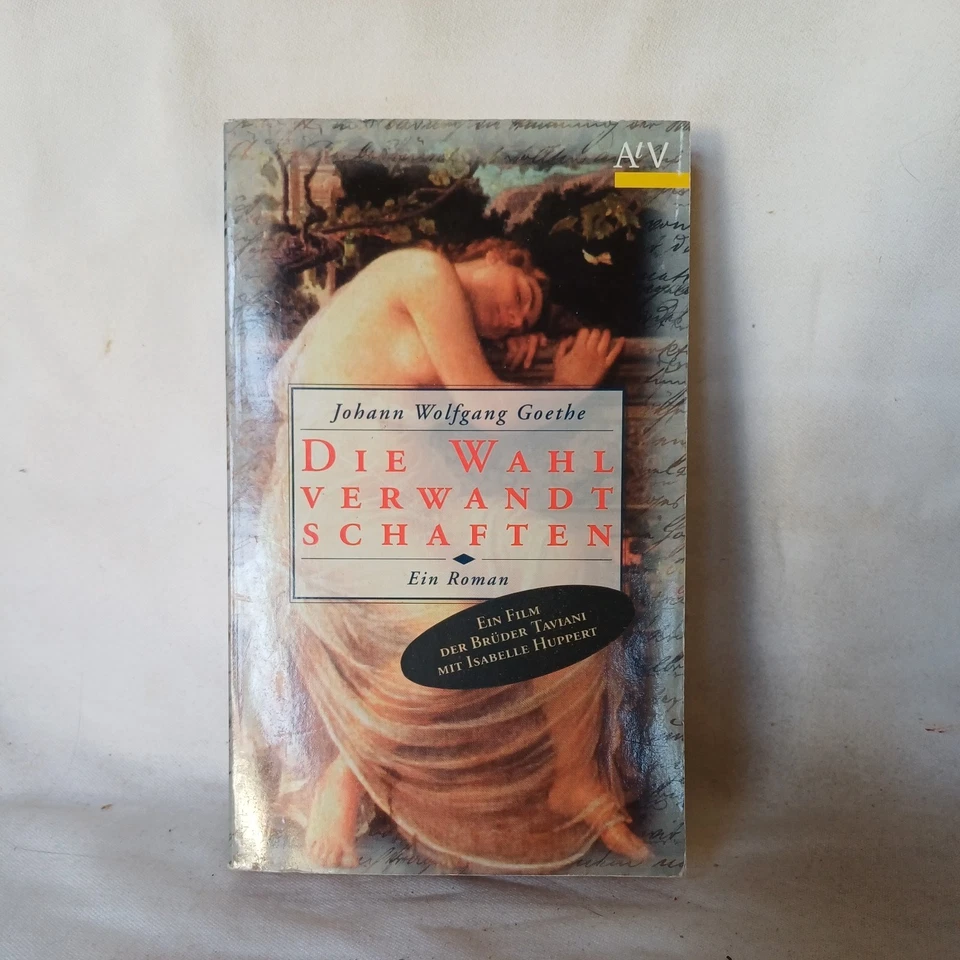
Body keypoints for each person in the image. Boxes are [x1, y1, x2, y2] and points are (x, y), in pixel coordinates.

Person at [256, 238, 650, 872]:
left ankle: (574, 775)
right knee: (458, 626)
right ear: (494, 255)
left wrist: (504, 350)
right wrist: (569, 385)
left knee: (574, 560)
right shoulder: (422, 268)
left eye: (522, 323)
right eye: (521, 294)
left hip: (420, 510)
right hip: (346, 512)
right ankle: (345, 774)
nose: (513, 317)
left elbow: (468, 411)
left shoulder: (439, 320)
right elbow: (485, 408)